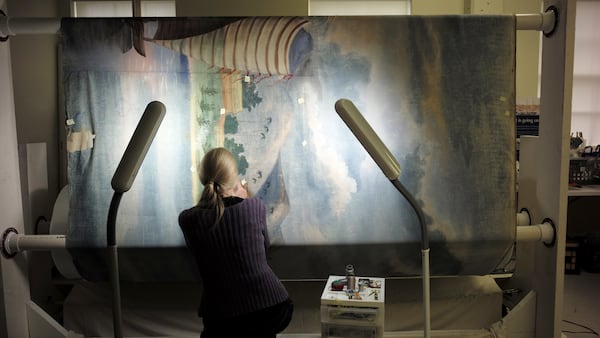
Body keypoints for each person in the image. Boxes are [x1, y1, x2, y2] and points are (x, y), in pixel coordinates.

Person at [178, 147, 293, 338]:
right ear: (235, 180)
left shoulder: (188, 221)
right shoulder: (254, 206)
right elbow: (263, 250)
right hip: (272, 308)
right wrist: (242, 194)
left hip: (222, 319)